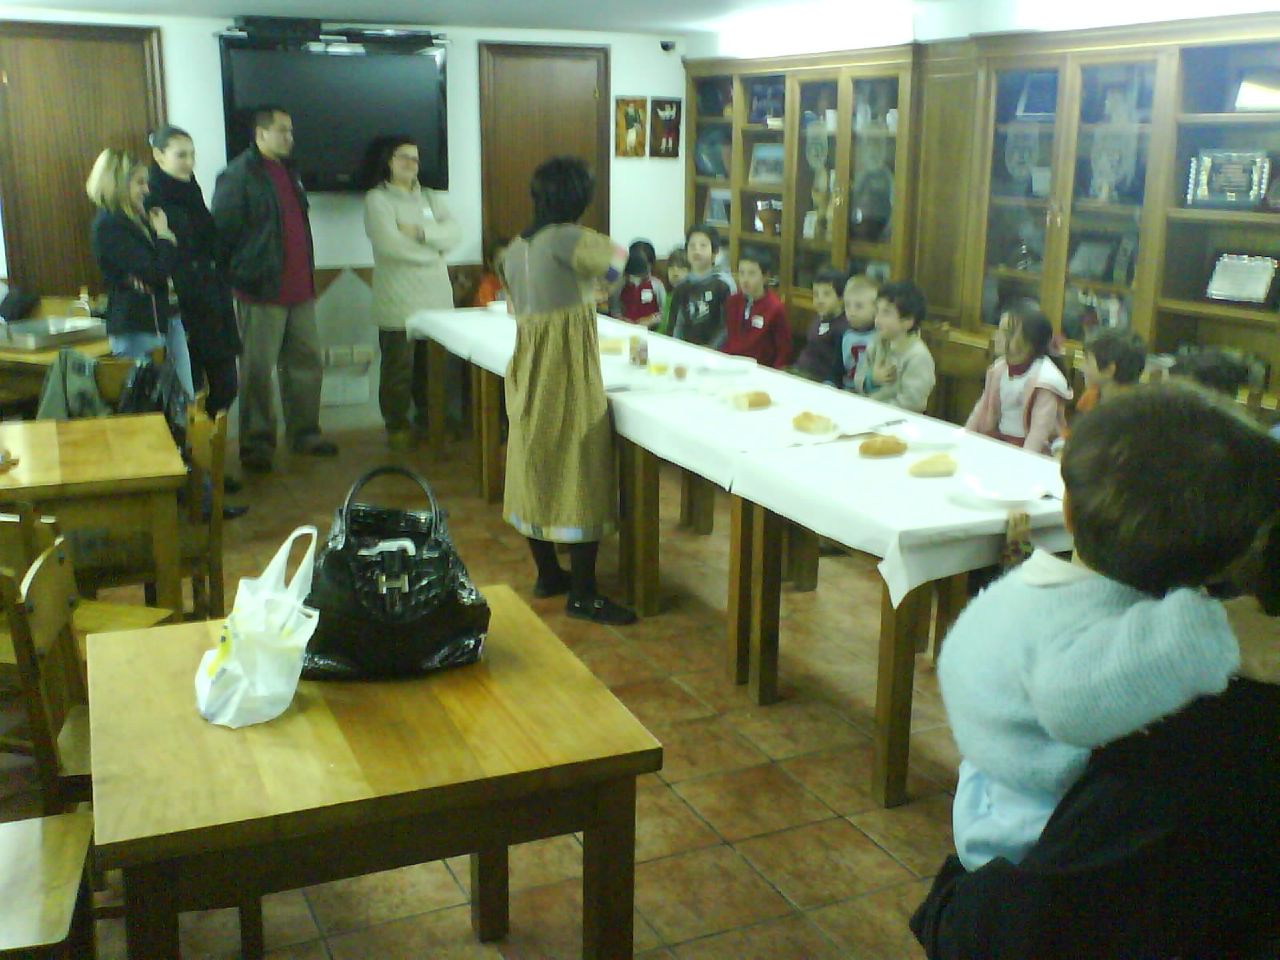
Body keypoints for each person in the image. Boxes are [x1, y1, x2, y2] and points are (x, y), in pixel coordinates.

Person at [913, 383, 1280, 960]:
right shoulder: (1102, 631)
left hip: (995, 784)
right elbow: (1071, 703)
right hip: (1017, 823)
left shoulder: (1054, 586)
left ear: (1066, 510)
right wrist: (1213, 636)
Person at [500, 156, 634, 626]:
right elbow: (622, 261)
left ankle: (547, 574)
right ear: (578, 199)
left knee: (534, 462)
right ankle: (584, 591)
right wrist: (599, 288)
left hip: (527, 364)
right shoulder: (569, 238)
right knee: (582, 464)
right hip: (567, 370)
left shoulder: (514, 247)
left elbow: (521, 303)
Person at [212, 105, 336, 474]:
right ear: (260, 134)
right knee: (257, 370)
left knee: (306, 364)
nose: (290, 137)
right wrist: (240, 277)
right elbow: (223, 234)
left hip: (300, 290)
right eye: (283, 130)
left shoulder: (289, 172)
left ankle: (305, 433)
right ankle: (256, 444)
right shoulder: (237, 175)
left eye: (291, 131)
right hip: (260, 290)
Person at [363, 136, 461, 450]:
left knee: (434, 368)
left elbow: (455, 233)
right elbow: (389, 245)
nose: (410, 164)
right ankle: (397, 426)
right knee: (398, 369)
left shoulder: (431, 198)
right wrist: (434, 251)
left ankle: (431, 423)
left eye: (415, 159)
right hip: (397, 298)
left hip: (435, 298)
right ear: (388, 161)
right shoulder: (377, 199)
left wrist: (420, 232)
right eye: (403, 157)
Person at [85, 148, 195, 400]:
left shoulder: (140, 219)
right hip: (136, 327)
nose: (147, 189)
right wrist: (165, 236)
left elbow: (168, 267)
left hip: (165, 319)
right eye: (140, 182)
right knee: (149, 407)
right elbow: (156, 272)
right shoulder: (109, 225)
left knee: (183, 402)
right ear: (119, 184)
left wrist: (162, 242)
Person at [146, 125, 241, 416]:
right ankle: (194, 454)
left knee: (226, 385)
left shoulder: (191, 188)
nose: (189, 162)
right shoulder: (152, 196)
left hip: (212, 296)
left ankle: (207, 446)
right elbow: (165, 251)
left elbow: (208, 238)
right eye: (181, 155)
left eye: (192, 154)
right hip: (183, 303)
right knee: (190, 390)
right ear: (159, 156)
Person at [965, 299, 1071, 454]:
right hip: (1000, 442)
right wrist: (966, 437)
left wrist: (1023, 462)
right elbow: (981, 408)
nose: (997, 336)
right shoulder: (999, 369)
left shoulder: (1045, 380)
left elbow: (1038, 433)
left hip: (1030, 451)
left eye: (1006, 332)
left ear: (1028, 343)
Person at [851, 280, 935, 412]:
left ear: (907, 322)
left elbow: (912, 404)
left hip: (897, 422)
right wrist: (871, 379)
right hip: (867, 411)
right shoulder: (877, 342)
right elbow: (858, 379)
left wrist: (874, 410)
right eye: (877, 311)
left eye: (886, 313)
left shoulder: (918, 357)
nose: (877, 319)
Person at [668, 223, 735, 347]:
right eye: (692, 246)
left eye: (703, 246)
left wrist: (710, 350)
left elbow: (728, 327)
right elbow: (676, 325)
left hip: (716, 354)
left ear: (715, 252)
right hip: (686, 351)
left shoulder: (723, 284)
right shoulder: (682, 286)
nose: (697, 250)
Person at [721, 252, 791, 369]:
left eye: (751, 274)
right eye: (741, 273)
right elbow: (728, 338)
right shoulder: (733, 301)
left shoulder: (775, 308)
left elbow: (784, 351)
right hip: (730, 364)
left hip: (759, 370)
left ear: (765, 277)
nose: (745, 279)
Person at [792, 267, 848, 384]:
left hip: (819, 381)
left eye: (826, 294)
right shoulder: (818, 318)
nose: (819, 300)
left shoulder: (843, 328)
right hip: (800, 372)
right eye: (816, 294)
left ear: (841, 298)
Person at [1075, 327, 1146, 416]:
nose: (1081, 367)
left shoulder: (1136, 415)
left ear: (1109, 370)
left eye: (1087, 361)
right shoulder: (1090, 397)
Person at [612, 239, 665, 327]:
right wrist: (621, 319)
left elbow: (664, 313)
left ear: (651, 264)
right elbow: (614, 308)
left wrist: (651, 319)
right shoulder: (620, 284)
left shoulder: (657, 285)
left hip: (650, 331)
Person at [840, 274, 878, 390]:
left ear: (876, 309)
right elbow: (838, 366)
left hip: (870, 394)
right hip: (846, 389)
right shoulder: (844, 334)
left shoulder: (880, 337)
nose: (851, 312)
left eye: (859, 306)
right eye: (847, 305)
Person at [658, 248, 689, 334]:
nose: (675, 273)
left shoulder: (694, 297)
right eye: (671, 268)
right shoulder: (669, 297)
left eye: (681, 268)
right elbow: (663, 328)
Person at [471, 236, 509, 307]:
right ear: (490, 263)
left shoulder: (520, 281)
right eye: (501, 262)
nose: (507, 266)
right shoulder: (486, 287)